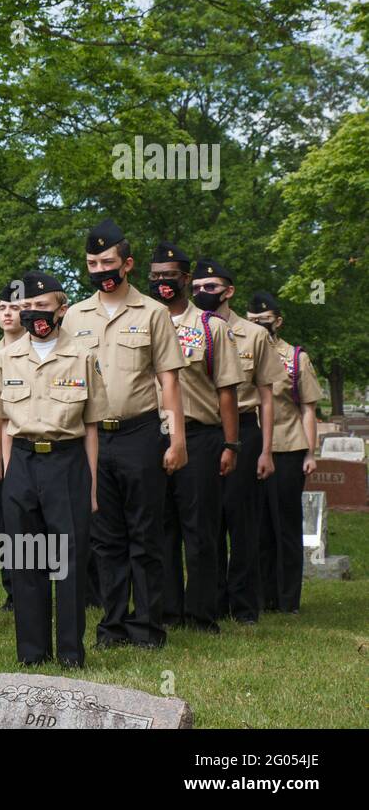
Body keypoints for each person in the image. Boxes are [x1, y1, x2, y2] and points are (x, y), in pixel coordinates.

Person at [64, 219, 186, 649]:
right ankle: (112, 626)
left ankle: (148, 625)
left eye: (108, 261)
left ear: (128, 263)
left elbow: (169, 380)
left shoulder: (153, 313)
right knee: (105, 537)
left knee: (146, 535)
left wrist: (177, 439)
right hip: (93, 439)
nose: (100, 269)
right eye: (93, 262)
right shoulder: (74, 316)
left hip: (139, 435)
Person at [0, 272, 106, 667]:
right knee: (25, 558)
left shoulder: (83, 356)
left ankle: (71, 653)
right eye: (28, 308)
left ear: (62, 309)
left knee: (69, 559)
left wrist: (90, 486)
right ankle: (32, 652)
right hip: (21, 462)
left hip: (67, 461)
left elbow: (91, 426)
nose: (35, 315)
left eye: (43, 307)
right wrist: (1, 468)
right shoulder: (4, 357)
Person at [148, 243, 242, 633]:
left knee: (200, 528)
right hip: (151, 435)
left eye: (169, 275)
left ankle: (202, 614)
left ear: (186, 279)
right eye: (155, 277)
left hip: (200, 436)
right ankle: (168, 611)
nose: (162, 283)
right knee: (160, 527)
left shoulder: (210, 327)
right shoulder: (145, 322)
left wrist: (231, 444)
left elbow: (227, 390)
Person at [192, 260, 284, 625]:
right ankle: (210, 600)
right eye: (196, 285)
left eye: (210, 286)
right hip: (203, 430)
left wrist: (265, 450)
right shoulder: (188, 330)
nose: (202, 292)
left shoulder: (254, 335)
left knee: (241, 519)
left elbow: (266, 396)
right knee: (207, 520)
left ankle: (244, 605)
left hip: (244, 431)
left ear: (228, 291)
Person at [247, 291, 320, 614]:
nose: (259, 327)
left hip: (288, 448)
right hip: (251, 447)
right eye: (252, 322)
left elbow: (307, 408)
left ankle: (288, 599)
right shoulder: (241, 352)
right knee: (257, 526)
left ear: (278, 321)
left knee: (285, 526)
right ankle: (262, 596)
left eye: (264, 321)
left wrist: (310, 453)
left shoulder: (295, 357)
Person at [0, 281, 26, 612]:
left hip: (31, 443)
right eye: (2, 307)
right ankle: (13, 589)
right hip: (1, 446)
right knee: (5, 524)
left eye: (14, 307)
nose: (7, 313)